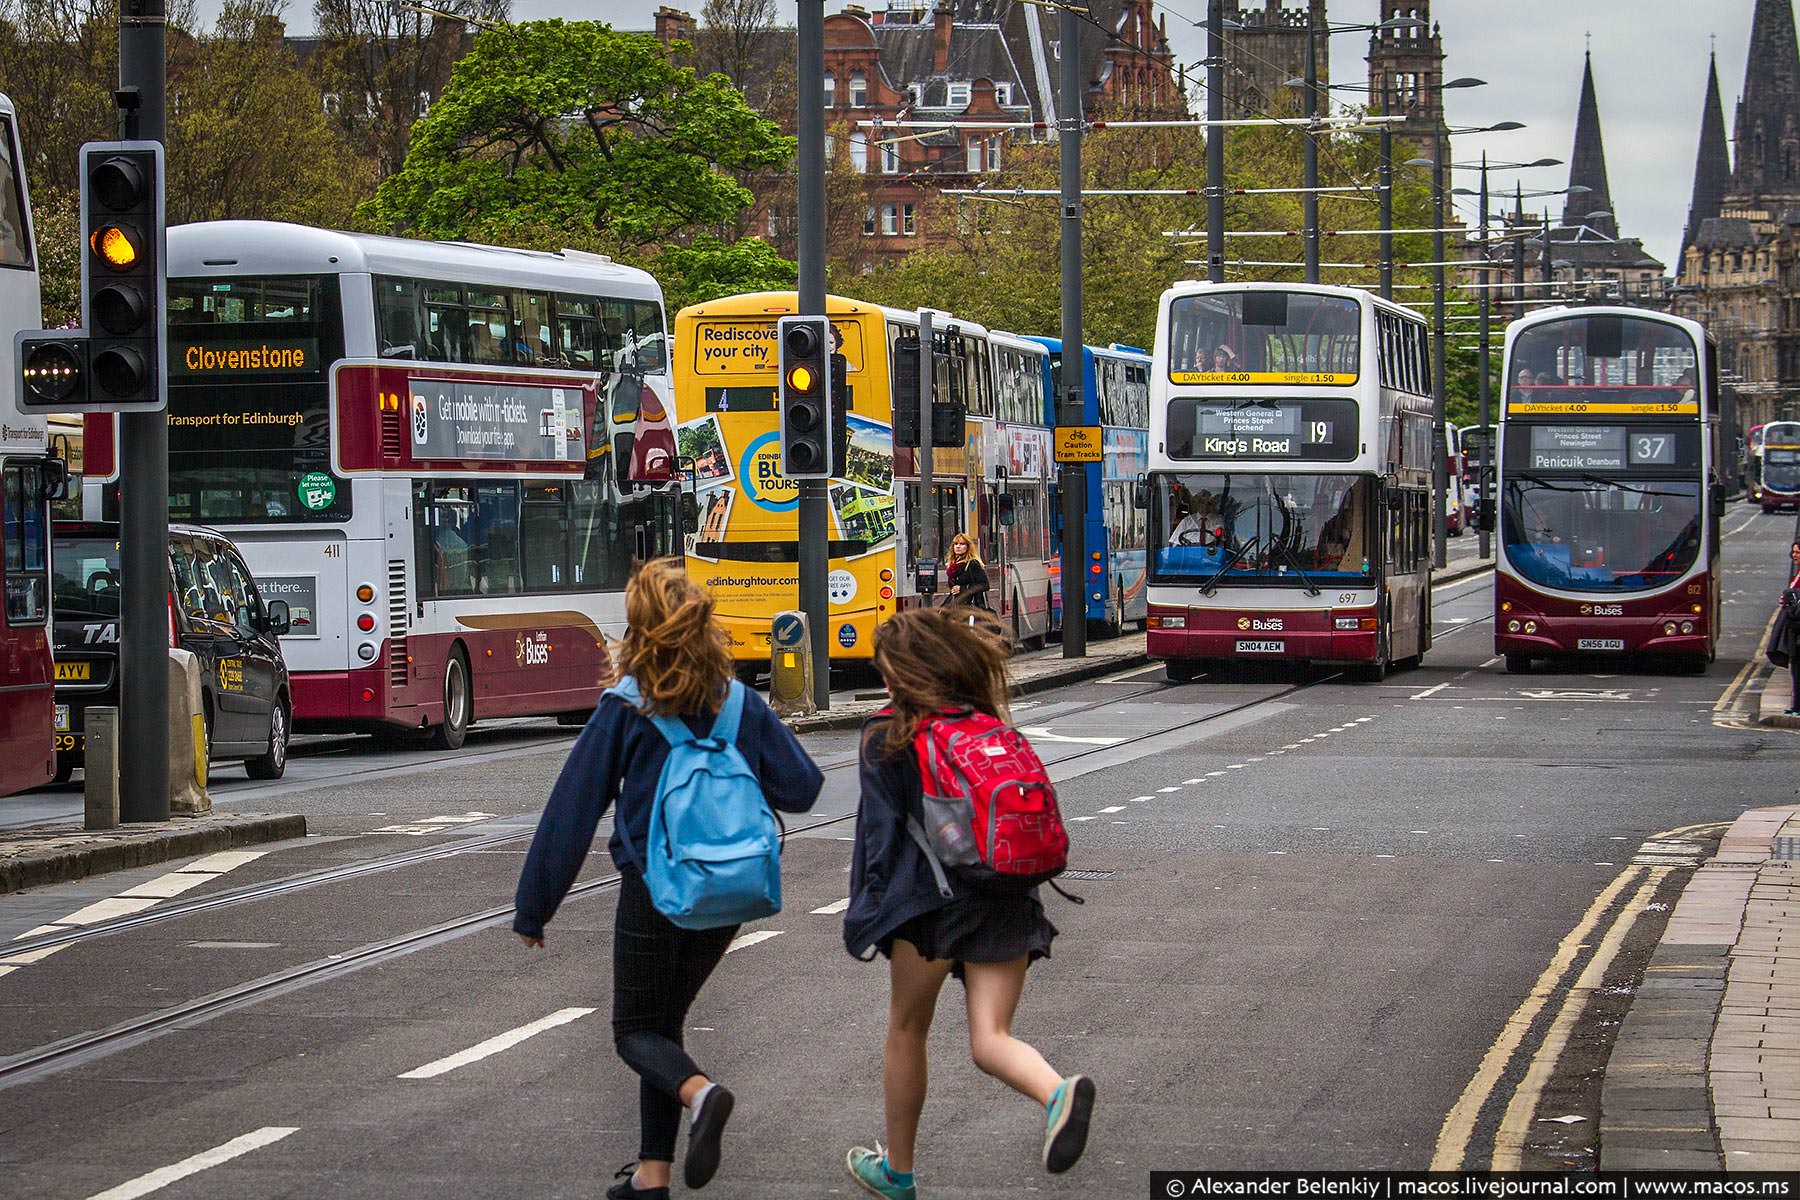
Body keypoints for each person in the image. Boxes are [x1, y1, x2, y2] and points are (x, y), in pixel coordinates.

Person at [514, 558, 823, 1200]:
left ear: (639, 631)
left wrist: (534, 908)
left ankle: (701, 1093)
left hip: (656, 889)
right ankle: (652, 1176)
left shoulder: (627, 708)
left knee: (635, 1030)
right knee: (665, 1021)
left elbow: (571, 810)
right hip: (728, 892)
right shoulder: (738, 703)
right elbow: (802, 788)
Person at [842, 608, 1094, 1199]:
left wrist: (867, 916)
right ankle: (1057, 1092)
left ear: (902, 673)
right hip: (1006, 891)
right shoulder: (987, 723)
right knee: (992, 1037)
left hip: (931, 906)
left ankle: (898, 1174)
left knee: (907, 1028)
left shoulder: (890, 733)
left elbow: (878, 839)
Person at [1772, 540, 1800, 716]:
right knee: (1796, 669)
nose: (1794, 555)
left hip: (1798, 629)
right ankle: (1796, 705)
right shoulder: (1797, 574)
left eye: (1798, 552)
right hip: (1794, 629)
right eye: (1794, 552)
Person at [945, 532, 991, 610]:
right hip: (955, 604)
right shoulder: (953, 565)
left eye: (962, 544)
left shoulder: (972, 563)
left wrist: (963, 589)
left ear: (968, 547)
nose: (958, 546)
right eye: (956, 544)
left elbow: (985, 585)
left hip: (970, 606)